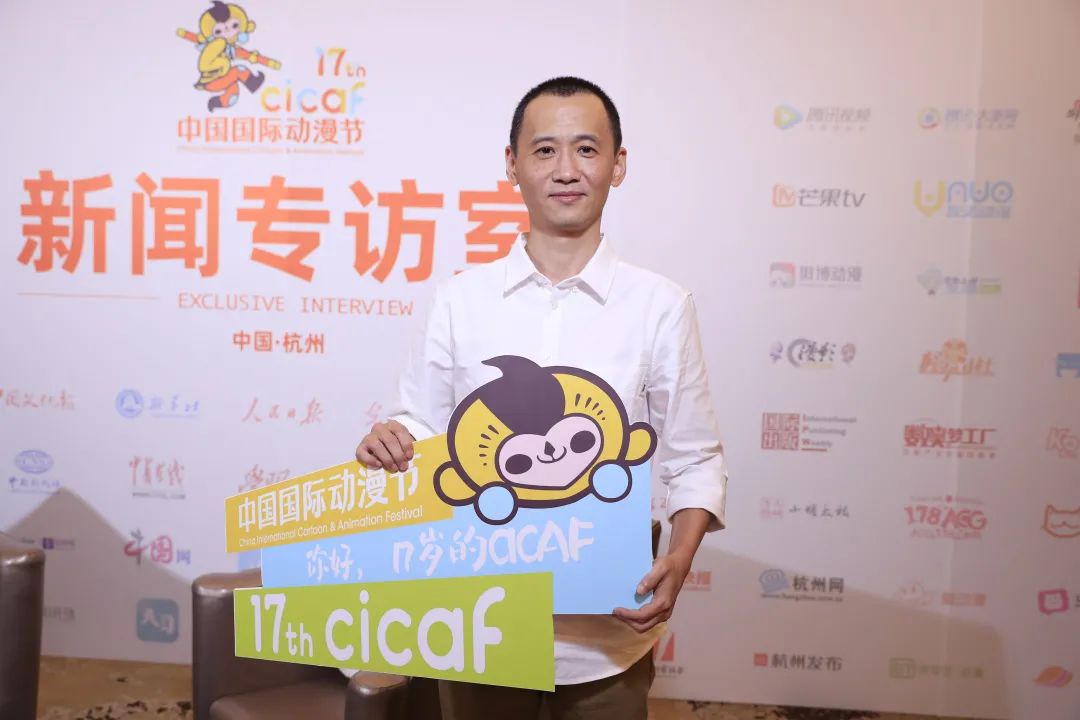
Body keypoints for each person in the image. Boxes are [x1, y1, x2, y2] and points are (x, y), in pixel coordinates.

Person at [355, 76, 727, 720]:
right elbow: (419, 427)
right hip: (478, 622)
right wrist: (389, 442)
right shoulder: (459, 299)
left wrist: (680, 557)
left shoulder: (660, 306)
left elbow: (695, 456)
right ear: (513, 164)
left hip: (608, 636)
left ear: (618, 165)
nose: (566, 169)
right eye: (545, 150)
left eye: (586, 149)